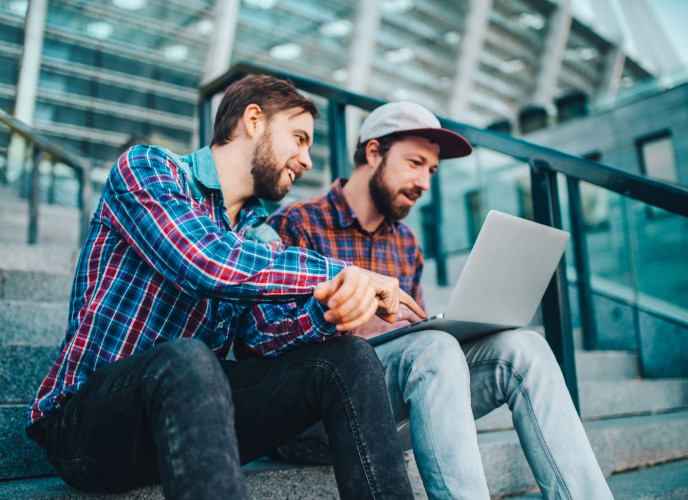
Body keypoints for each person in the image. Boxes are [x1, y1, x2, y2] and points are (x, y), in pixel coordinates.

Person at [25, 76, 423, 499]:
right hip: (87, 426)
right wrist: (343, 271)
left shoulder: (261, 238)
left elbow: (265, 340)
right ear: (254, 120)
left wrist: (327, 311)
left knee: (349, 357)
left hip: (193, 419)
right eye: (299, 138)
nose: (307, 160)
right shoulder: (148, 169)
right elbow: (205, 261)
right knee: (189, 358)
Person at [266, 101, 614, 499]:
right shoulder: (297, 223)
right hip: (314, 419)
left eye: (432, 171)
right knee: (433, 347)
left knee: (525, 345)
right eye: (415, 163)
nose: (425, 182)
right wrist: (363, 319)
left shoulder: (406, 243)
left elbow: (407, 344)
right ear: (374, 152)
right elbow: (271, 347)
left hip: (386, 408)